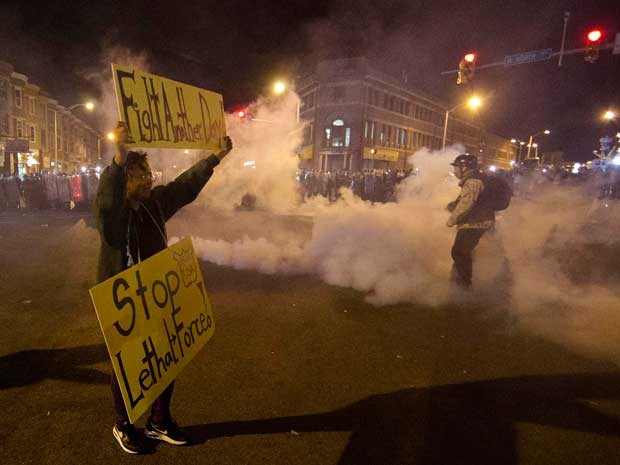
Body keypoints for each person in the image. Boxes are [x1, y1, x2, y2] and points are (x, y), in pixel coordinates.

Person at [93, 122, 233, 454]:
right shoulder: (115, 216)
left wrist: (215, 158)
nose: (148, 179)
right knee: (126, 363)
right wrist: (117, 162)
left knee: (165, 355)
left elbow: (186, 185)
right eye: (140, 175)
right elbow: (106, 207)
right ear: (125, 180)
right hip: (123, 300)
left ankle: (158, 422)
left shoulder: (156, 203)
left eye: (148, 173)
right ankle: (123, 424)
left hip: (156, 296)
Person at [446, 154, 494, 288]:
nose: (454, 171)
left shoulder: (473, 181)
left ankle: (462, 288)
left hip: (474, 224)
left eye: (456, 167)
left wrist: (452, 219)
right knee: (467, 253)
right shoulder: (477, 179)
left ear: (464, 168)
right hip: (483, 222)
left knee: (460, 252)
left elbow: (467, 203)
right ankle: (457, 283)